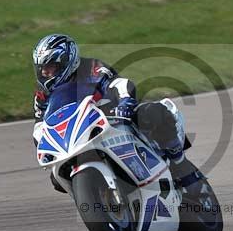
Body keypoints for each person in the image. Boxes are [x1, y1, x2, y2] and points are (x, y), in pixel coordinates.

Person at [31, 33, 202, 194]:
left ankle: (180, 164)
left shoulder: (91, 68)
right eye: (42, 68)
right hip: (76, 136)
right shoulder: (43, 95)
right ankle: (96, 197)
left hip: (113, 118)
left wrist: (125, 102)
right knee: (56, 178)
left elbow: (118, 84)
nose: (46, 73)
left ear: (67, 61)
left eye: (51, 67)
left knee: (152, 113)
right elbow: (40, 126)